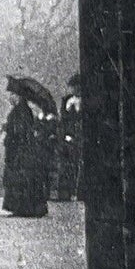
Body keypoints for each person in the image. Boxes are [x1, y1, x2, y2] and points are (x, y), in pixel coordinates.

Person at [2, 81, 49, 218]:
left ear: (19, 96)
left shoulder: (20, 111)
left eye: (12, 94)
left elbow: (20, 131)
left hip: (21, 150)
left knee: (21, 177)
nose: (10, 97)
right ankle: (25, 207)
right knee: (23, 177)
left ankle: (24, 207)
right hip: (23, 149)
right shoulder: (22, 110)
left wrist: (9, 129)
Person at [57, 73, 83, 201]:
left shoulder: (85, 100)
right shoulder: (67, 101)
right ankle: (65, 193)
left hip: (80, 137)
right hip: (68, 137)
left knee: (79, 165)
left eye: (76, 87)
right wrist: (66, 135)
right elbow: (63, 121)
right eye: (72, 87)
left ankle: (78, 192)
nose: (74, 90)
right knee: (66, 165)